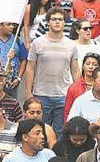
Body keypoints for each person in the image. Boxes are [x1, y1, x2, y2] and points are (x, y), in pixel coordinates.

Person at [25, 7, 81, 138]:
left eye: (60, 19)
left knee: (60, 133)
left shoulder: (71, 45)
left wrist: (78, 92)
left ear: (64, 22)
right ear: (48, 22)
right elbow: (30, 68)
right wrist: (28, 92)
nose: (57, 22)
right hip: (41, 94)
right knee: (39, 132)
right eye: (54, 19)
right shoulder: (37, 43)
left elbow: (75, 70)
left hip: (63, 95)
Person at [0, 22, 27, 98]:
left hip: (11, 82)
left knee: (11, 105)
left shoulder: (17, 40)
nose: (11, 27)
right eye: (8, 24)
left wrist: (18, 78)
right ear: (0, 25)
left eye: (13, 25)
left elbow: (24, 59)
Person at [64, 53, 100, 123]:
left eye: (94, 65)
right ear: (82, 66)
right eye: (88, 64)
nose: (91, 67)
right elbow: (67, 112)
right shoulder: (73, 88)